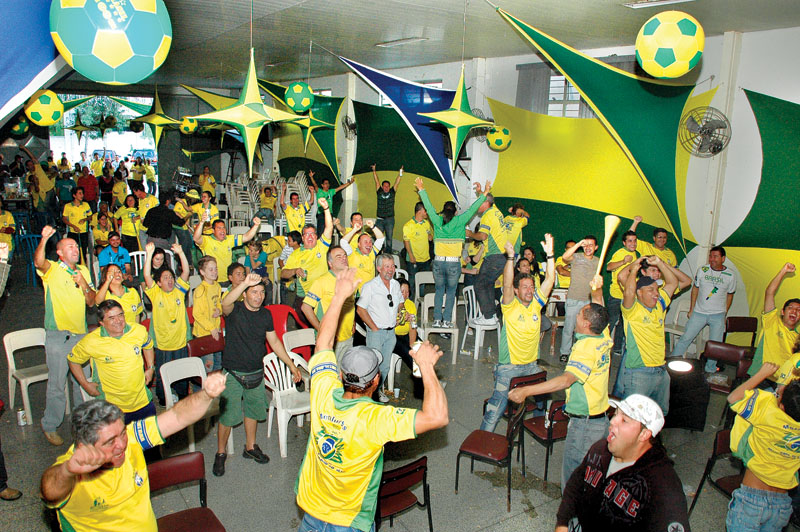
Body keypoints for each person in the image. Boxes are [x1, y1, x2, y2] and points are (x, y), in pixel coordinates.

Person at [295, 267, 448, 532]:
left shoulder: (322, 393)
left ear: (341, 374)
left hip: (310, 511)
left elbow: (322, 344)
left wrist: (339, 297)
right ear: (376, 381)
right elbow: (437, 416)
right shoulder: (376, 419)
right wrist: (426, 368)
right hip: (350, 522)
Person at [40, 374, 227, 531]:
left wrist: (206, 395)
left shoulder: (133, 437)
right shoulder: (75, 468)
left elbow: (177, 416)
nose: (121, 444)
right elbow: (49, 491)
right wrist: (67, 471)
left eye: (121, 433)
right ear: (84, 445)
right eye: (110, 441)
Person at [509, 274, 609, 488]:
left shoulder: (585, 348)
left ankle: (570, 516)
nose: (576, 316)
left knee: (574, 474)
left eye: (581, 313)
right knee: (592, 470)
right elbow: (600, 307)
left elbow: (565, 381)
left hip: (585, 423)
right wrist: (597, 290)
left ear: (585, 323)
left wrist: (526, 391)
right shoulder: (603, 336)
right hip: (601, 416)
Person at [556, 394, 689, 531]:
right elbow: (575, 484)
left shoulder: (664, 489)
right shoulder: (600, 449)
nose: (613, 421)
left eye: (624, 420)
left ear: (644, 435)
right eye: (615, 414)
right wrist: (562, 523)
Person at [214, 273, 301, 476]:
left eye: (262, 292)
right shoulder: (234, 311)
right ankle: (220, 453)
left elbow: (275, 342)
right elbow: (224, 301)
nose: (259, 296)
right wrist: (245, 282)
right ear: (244, 294)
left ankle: (250, 447)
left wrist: (291, 365)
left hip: (255, 372)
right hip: (233, 373)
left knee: (253, 412)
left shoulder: (265, 315)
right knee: (227, 417)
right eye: (254, 292)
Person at [481, 238, 555, 432]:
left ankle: (540, 425)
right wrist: (510, 258)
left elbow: (549, 280)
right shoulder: (510, 306)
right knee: (495, 410)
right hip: (508, 368)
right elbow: (506, 283)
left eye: (531, 287)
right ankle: (482, 438)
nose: (530, 290)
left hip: (531, 366)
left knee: (543, 399)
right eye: (525, 287)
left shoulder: (536, 305)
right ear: (516, 290)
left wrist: (550, 255)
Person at [35, 226, 96, 446]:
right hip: (58, 335)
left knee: (82, 382)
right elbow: (38, 262)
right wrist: (44, 240)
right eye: (70, 246)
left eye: (76, 246)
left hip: (80, 335)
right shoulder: (52, 269)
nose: (75, 249)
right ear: (59, 252)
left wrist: (83, 283)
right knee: (57, 383)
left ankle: (81, 424)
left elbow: (91, 301)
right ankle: (50, 424)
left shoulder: (83, 271)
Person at [726, 362, 800, 532]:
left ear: (782, 406)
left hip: (751, 499)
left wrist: (761, 374)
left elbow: (733, 398)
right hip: (783, 504)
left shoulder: (767, 409)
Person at [68, 300, 156, 422]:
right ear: (101, 323)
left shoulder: (138, 330)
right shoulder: (92, 341)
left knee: (151, 439)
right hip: (112, 408)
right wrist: (85, 384)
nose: (118, 320)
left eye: (120, 315)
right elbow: (73, 360)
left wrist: (151, 368)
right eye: (111, 318)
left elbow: (148, 345)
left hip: (143, 401)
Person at [417, 177, 487, 327]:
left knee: (439, 290)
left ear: (443, 211)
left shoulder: (437, 220)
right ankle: (447, 321)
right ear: (455, 212)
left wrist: (421, 189)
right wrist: (484, 194)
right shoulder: (460, 220)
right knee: (451, 292)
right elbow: (473, 209)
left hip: (438, 262)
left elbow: (428, 207)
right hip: (453, 264)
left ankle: (436, 320)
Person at [616, 255, 679, 415]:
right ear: (639, 293)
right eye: (651, 290)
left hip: (661, 372)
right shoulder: (632, 310)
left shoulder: (660, 305)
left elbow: (673, 283)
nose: (656, 293)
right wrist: (635, 267)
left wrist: (660, 263)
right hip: (639, 373)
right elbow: (629, 290)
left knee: (658, 416)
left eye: (656, 290)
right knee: (632, 417)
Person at [671, 246, 737, 375]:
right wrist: (692, 308)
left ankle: (710, 369)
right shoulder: (703, 270)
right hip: (699, 313)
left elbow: (730, 295)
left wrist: (725, 313)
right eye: (711, 256)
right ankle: (672, 361)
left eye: (716, 256)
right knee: (686, 338)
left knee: (715, 345)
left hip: (717, 315)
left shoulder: (730, 275)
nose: (712, 259)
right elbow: (695, 289)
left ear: (723, 258)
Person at [143, 242, 191, 406]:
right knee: (163, 374)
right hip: (163, 344)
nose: (169, 280)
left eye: (171, 277)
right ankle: (164, 398)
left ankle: (183, 397)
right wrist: (149, 254)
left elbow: (185, 271)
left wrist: (180, 252)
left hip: (180, 343)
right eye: (165, 278)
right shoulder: (156, 294)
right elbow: (147, 276)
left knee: (182, 374)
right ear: (159, 283)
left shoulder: (179, 291)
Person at [356, 254, 404, 403]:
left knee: (384, 367)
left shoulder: (396, 285)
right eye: (387, 266)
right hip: (376, 333)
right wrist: (374, 328)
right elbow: (360, 309)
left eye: (393, 266)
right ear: (378, 268)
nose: (391, 270)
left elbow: (401, 303)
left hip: (391, 333)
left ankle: (377, 392)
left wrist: (399, 314)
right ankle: (366, 396)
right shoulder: (370, 286)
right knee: (372, 367)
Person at [746, 263, 800, 389]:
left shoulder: (797, 338)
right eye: (790, 308)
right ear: (783, 311)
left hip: (782, 383)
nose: (794, 312)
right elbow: (769, 292)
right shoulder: (772, 322)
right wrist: (783, 271)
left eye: (798, 310)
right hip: (760, 377)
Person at [281, 198, 334, 318]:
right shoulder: (296, 254)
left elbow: (329, 228)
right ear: (303, 238)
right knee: (304, 329)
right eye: (307, 234)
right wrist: (294, 271)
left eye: (312, 234)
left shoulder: (321, 246)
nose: (310, 236)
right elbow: (283, 274)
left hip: (324, 295)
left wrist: (326, 209)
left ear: (316, 236)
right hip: (306, 297)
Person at [302, 245, 356, 360]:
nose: (344, 258)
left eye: (344, 256)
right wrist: (321, 330)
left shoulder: (350, 280)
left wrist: (353, 321)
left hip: (347, 337)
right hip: (329, 341)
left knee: (345, 375)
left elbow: (350, 304)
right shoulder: (321, 282)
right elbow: (305, 307)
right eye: (338, 257)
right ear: (330, 263)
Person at [471, 188, 510, 325]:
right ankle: (491, 315)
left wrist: (469, 234)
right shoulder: (496, 211)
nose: (477, 206)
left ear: (485, 203)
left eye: (479, 202)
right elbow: (489, 198)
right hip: (502, 257)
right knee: (487, 284)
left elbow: (483, 236)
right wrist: (482, 191)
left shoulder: (487, 216)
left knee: (480, 285)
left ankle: (488, 317)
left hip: (494, 256)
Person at [559, 236, 600, 362]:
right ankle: (564, 352)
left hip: (588, 300)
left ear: (596, 247)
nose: (588, 248)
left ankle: (579, 352)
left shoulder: (598, 261)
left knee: (585, 328)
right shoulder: (576, 257)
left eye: (591, 245)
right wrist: (578, 244)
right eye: (585, 245)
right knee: (569, 327)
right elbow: (565, 257)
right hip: (573, 299)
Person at [193, 216, 260, 284]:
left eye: (224, 228)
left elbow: (246, 237)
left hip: (228, 280)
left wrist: (256, 225)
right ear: (213, 230)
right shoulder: (207, 241)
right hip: (212, 281)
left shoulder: (229, 239)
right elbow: (196, 238)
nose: (222, 230)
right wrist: (201, 223)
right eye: (219, 228)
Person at [606, 230, 638, 356]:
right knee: (611, 321)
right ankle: (603, 345)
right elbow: (609, 267)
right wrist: (623, 261)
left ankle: (617, 348)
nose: (633, 243)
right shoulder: (620, 252)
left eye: (634, 240)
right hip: (616, 294)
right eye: (630, 241)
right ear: (624, 243)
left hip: (628, 296)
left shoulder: (636, 254)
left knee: (624, 322)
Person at [192, 255, 223, 372]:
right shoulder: (200, 290)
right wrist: (211, 328)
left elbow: (219, 303)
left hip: (216, 331)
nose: (214, 272)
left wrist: (219, 310)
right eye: (211, 269)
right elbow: (197, 314)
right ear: (202, 272)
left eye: (215, 269)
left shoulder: (217, 286)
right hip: (204, 333)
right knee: (207, 366)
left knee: (218, 364)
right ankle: (202, 390)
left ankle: (216, 389)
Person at [340, 219, 385, 288]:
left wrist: (373, 226)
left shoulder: (372, 253)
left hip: (370, 292)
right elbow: (343, 242)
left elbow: (381, 238)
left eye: (370, 242)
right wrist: (354, 230)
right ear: (359, 244)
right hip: (356, 294)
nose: (369, 244)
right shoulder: (352, 254)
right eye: (365, 242)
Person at [402, 201, 433, 299]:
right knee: (411, 283)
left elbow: (429, 234)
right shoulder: (408, 225)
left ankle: (421, 301)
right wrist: (411, 255)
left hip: (425, 259)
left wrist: (430, 236)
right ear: (420, 211)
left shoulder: (426, 223)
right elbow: (406, 242)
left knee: (423, 282)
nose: (427, 213)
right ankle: (409, 303)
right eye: (425, 211)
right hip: (413, 260)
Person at [371, 164, 403, 253]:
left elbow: (397, 182)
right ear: (382, 187)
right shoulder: (379, 192)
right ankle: (378, 253)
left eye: (387, 186)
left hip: (390, 220)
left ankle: (388, 254)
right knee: (379, 237)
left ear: (389, 187)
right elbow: (376, 181)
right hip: (380, 220)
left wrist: (400, 173)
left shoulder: (392, 192)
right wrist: (374, 170)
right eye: (384, 186)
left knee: (389, 238)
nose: (386, 187)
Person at [62, 187, 92, 263]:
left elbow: (90, 216)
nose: (82, 195)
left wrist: (85, 219)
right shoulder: (68, 206)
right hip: (72, 233)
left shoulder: (86, 205)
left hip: (84, 232)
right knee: (72, 252)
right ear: (74, 195)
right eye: (79, 193)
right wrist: (73, 226)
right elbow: (64, 219)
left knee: (83, 252)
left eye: (82, 193)